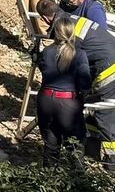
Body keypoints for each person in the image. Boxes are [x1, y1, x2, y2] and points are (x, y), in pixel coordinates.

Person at [37, 0, 115, 174]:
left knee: (107, 120)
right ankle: (92, 152)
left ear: (45, 19)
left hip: (111, 72)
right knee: (91, 114)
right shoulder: (72, 20)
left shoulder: (72, 39)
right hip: (109, 66)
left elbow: (68, 66)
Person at [36, 14, 90, 165]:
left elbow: (42, 68)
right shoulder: (79, 54)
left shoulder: (46, 52)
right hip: (67, 104)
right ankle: (76, 183)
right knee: (75, 146)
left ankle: (48, 179)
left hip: (45, 101)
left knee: (50, 145)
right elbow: (85, 81)